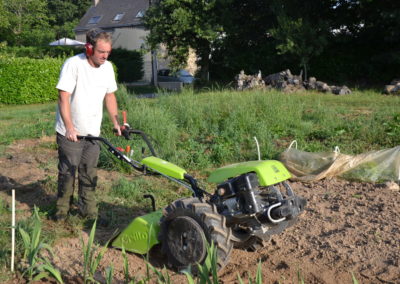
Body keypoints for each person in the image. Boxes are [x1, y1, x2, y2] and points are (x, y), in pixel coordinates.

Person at [54, 28, 121, 221]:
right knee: (68, 172)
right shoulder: (73, 64)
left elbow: (110, 96)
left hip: (93, 132)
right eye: (101, 52)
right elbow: (63, 96)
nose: (105, 56)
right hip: (71, 132)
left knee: (88, 173)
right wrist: (69, 127)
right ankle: (61, 212)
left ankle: (88, 213)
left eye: (108, 52)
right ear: (89, 48)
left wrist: (116, 122)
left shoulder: (107, 68)